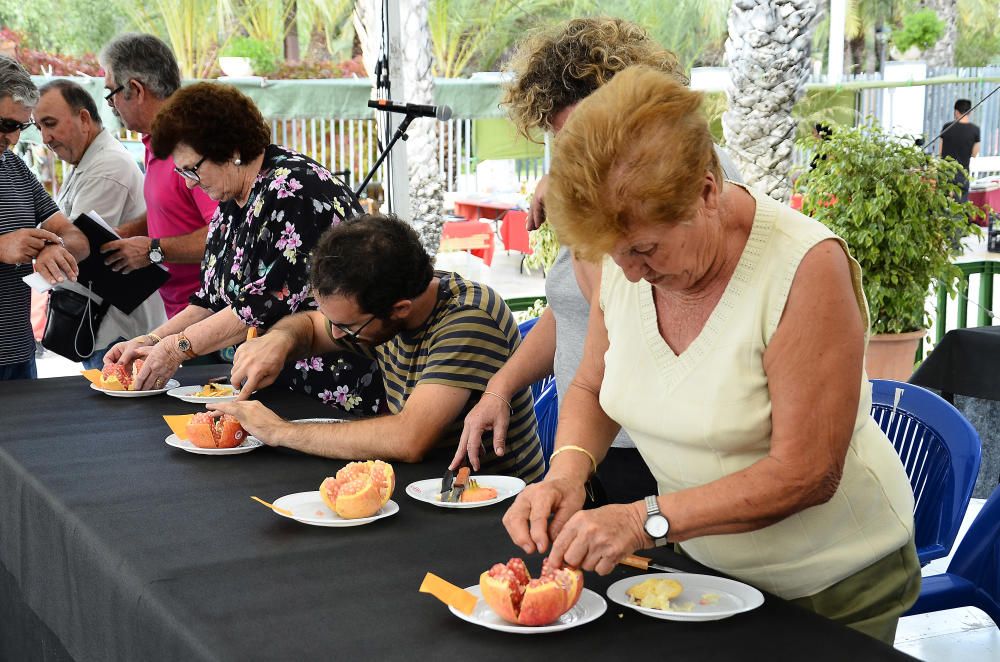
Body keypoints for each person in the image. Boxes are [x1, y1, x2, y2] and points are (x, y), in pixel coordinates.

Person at [503, 66, 919, 643]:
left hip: (831, 586)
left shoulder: (804, 267)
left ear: (705, 191)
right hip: (705, 570)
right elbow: (592, 387)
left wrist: (641, 520)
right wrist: (566, 472)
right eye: (614, 255)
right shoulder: (624, 256)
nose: (629, 273)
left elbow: (805, 474)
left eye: (646, 249)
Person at [453, 17, 742, 504]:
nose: (578, 154)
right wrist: (500, 386)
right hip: (590, 442)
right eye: (566, 142)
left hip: (656, 451)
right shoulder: (593, 191)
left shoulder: (691, 172)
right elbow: (574, 311)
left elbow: (648, 306)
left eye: (589, 134)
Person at [102, 83, 382, 411]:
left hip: (329, 388)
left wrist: (176, 348)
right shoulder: (231, 196)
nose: (189, 182)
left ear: (232, 149)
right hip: (270, 381)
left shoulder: (290, 192)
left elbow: (258, 306)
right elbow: (210, 300)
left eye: (193, 168)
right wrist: (151, 340)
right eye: (182, 171)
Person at [210, 214, 545, 481]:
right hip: (427, 484)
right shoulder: (384, 299)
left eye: (348, 327)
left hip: (494, 503)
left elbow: (409, 439)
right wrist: (280, 340)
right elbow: (311, 325)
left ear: (399, 309)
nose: (337, 335)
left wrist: (280, 431)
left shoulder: (469, 319)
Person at [34, 79, 167, 369]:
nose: (45, 137)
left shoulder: (106, 168)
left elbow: (76, 246)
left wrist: (31, 246)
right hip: (103, 329)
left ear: (83, 118)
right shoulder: (88, 161)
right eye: (38, 127)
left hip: (117, 335)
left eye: (51, 123)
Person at [97, 33, 217, 318]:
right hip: (181, 312)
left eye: (111, 93)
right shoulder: (156, 139)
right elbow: (174, 211)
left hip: (211, 318)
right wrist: (127, 232)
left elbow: (226, 234)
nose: (112, 106)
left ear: (136, 90)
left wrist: (153, 250)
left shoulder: (191, 142)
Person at [0, 56, 90, 380]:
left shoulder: (15, 169)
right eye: (6, 125)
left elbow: (75, 235)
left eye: (20, 128)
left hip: (19, 357)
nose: (12, 139)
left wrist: (56, 247)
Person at [939, 98, 980, 202]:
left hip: (945, 173)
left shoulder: (947, 127)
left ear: (956, 112)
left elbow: (940, 152)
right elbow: (975, 154)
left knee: (944, 205)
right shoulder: (975, 130)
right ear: (970, 112)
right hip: (963, 174)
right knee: (960, 208)